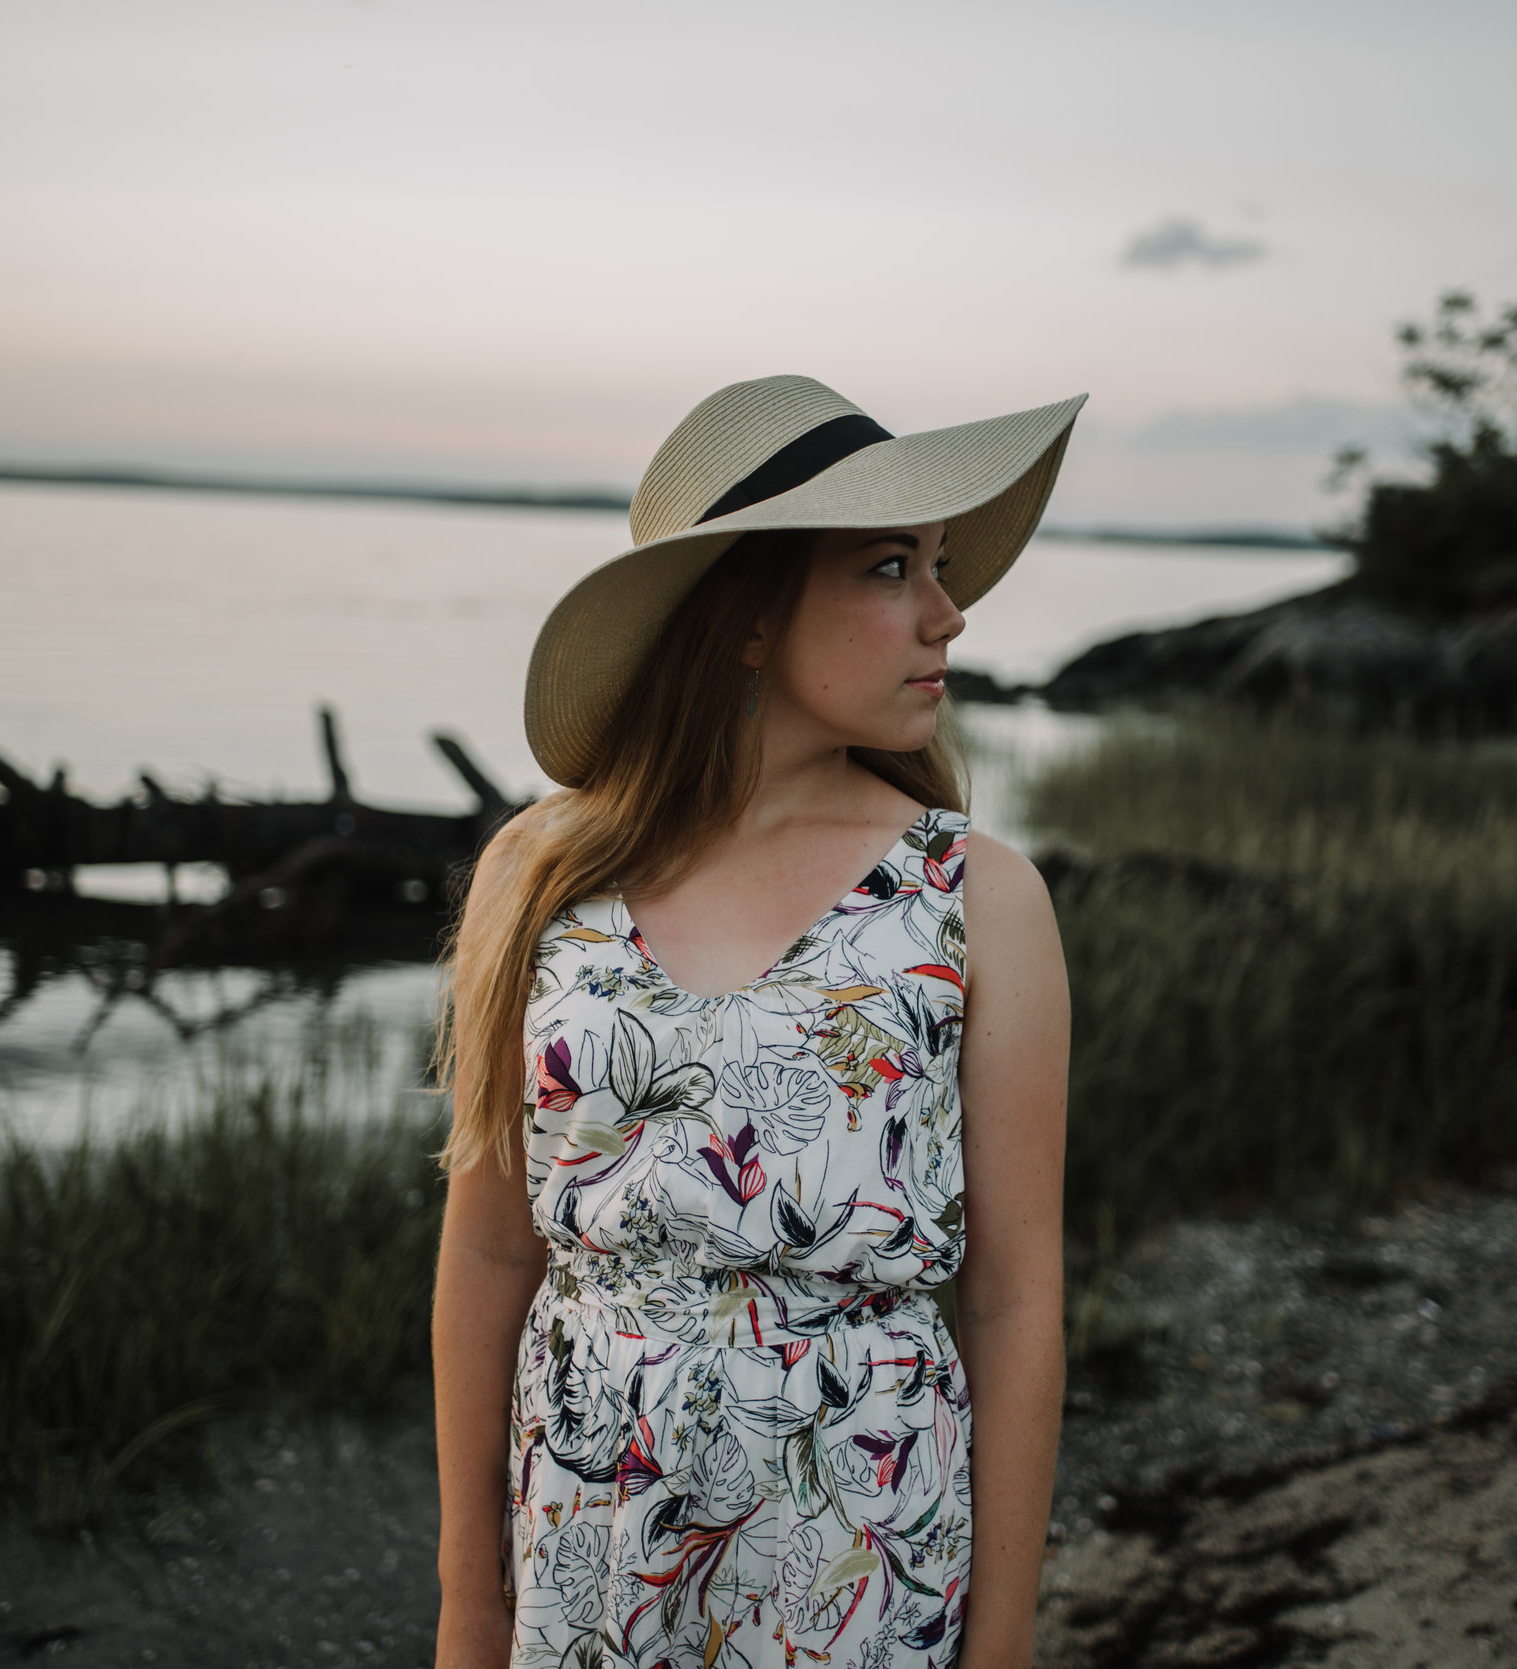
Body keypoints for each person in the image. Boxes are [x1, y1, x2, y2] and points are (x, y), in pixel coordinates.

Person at [430, 374, 1083, 1668]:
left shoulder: (975, 902)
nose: (949, 614)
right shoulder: (540, 876)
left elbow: (1014, 1302)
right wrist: (470, 1605)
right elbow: (492, 1251)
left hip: (858, 1562)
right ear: (743, 614)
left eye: (939, 567)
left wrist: (1001, 1640)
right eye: (892, 567)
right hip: (588, 1548)